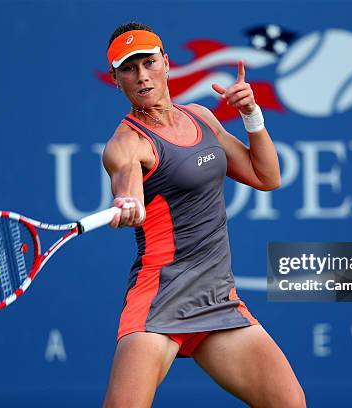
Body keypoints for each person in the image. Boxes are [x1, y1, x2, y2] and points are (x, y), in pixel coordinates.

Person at [101, 21, 306, 408]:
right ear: (116, 79)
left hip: (218, 299)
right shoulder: (126, 144)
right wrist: (127, 201)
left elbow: (267, 176)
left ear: (166, 62)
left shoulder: (200, 117)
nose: (142, 76)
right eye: (129, 69)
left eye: (148, 62)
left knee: (289, 403)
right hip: (159, 301)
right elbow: (126, 181)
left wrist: (251, 114)